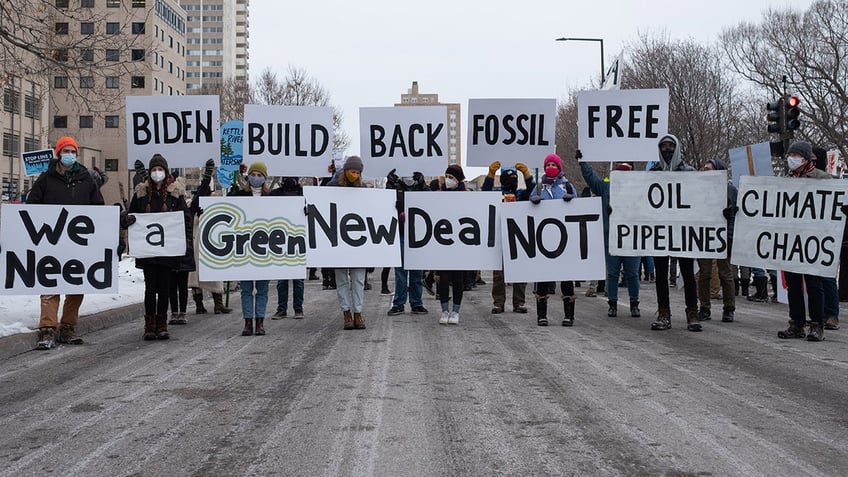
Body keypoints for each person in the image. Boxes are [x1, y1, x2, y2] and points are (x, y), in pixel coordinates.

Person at [27, 136, 105, 350]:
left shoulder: (86, 179)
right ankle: (47, 329)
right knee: (49, 284)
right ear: (59, 153)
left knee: (76, 285)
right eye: (65, 151)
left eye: (72, 151)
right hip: (50, 241)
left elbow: (98, 207)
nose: (69, 154)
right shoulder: (45, 179)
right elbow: (31, 207)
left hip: (77, 243)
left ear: (76, 154)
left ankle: (68, 327)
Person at [127, 154, 189, 341]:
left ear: (166, 172)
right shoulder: (141, 193)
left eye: (160, 170)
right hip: (148, 251)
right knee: (150, 288)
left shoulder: (175, 194)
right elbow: (132, 215)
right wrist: (127, 219)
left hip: (167, 251)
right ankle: (149, 324)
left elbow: (184, 217)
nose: (157, 173)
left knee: (165, 288)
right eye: (154, 170)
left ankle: (162, 324)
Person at [778, 141, 831, 341]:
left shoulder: (823, 179)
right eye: (790, 154)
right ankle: (797, 323)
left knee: (814, 284)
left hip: (813, 240)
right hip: (790, 240)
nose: (792, 158)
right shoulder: (784, 181)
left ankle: (817, 324)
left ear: (807, 158)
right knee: (793, 284)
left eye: (796, 155)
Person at [578, 152, 641, 318]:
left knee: (633, 274)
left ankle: (634, 304)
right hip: (611, 239)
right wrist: (583, 161)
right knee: (612, 274)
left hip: (631, 239)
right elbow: (591, 178)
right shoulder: (606, 188)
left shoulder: (640, 189)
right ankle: (612, 304)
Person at [648, 134, 701, 332]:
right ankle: (663, 313)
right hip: (659, 232)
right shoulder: (653, 174)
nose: (667, 149)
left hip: (684, 231)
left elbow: (701, 199)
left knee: (687, 273)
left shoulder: (690, 173)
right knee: (661, 274)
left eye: (671, 146)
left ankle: (692, 313)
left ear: (677, 147)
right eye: (664, 146)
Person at [529, 153, 578, 326]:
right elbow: (528, 209)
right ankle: (541, 315)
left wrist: (572, 201)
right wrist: (532, 202)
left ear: (559, 167)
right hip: (545, 240)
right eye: (548, 164)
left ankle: (569, 315)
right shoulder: (540, 187)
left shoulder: (568, 187)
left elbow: (579, 210)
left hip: (564, 240)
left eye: (553, 164)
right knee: (543, 277)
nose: (550, 167)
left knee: (566, 278)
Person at [482, 161, 535, 314]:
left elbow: (533, 192)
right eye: (509, 177)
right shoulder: (496, 194)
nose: (512, 180)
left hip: (519, 238)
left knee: (520, 272)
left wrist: (527, 176)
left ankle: (519, 303)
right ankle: (498, 303)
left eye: (514, 178)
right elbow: (484, 194)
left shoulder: (521, 195)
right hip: (500, 236)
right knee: (499, 273)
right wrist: (490, 175)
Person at [230, 162, 273, 336]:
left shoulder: (272, 198)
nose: (256, 177)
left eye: (259, 174)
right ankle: (248, 322)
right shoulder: (240, 195)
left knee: (262, 289)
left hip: (264, 248)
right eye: (253, 174)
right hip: (245, 247)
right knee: (246, 289)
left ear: (264, 177)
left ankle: (260, 321)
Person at [187, 159, 233, 315]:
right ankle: (199, 305)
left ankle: (218, 304)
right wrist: (207, 177)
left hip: (212, 243)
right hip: (196, 244)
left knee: (215, 273)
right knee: (195, 277)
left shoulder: (215, 204)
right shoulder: (192, 205)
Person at [696, 159, 738, 323]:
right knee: (704, 274)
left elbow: (737, 215)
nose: (704, 171)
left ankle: (729, 309)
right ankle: (704, 308)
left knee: (725, 273)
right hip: (704, 236)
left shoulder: (730, 190)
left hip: (723, 237)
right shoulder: (699, 190)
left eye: (708, 169)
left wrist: (730, 231)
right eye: (703, 168)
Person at [329, 156, 368, 330]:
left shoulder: (364, 189)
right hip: (337, 241)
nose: (355, 174)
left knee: (358, 279)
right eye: (353, 171)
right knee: (342, 279)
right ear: (345, 171)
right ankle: (346, 312)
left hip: (358, 242)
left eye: (358, 172)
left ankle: (358, 312)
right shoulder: (331, 188)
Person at [385, 169, 429, 317]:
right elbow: (384, 200)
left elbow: (432, 201)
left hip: (419, 234)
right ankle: (399, 304)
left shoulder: (421, 187)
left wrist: (422, 184)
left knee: (417, 271)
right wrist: (390, 183)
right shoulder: (395, 187)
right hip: (402, 232)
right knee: (401, 271)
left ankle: (416, 303)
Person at [437, 164, 469, 325]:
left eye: (452, 177)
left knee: (458, 279)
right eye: (446, 176)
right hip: (443, 242)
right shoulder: (439, 194)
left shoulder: (466, 195)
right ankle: (444, 310)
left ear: (458, 180)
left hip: (460, 244)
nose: (448, 180)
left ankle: (456, 311)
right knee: (443, 278)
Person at [273, 176, 305, 320]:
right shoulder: (274, 195)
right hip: (280, 239)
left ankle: (298, 309)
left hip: (299, 238)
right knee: (282, 279)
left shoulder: (304, 193)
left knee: (298, 279)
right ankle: (282, 309)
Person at [168, 171, 196, 326]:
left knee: (182, 285)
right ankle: (174, 312)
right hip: (169, 248)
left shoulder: (179, 201)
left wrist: (186, 243)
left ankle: (182, 312)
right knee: (172, 285)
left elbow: (187, 221)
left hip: (181, 247)